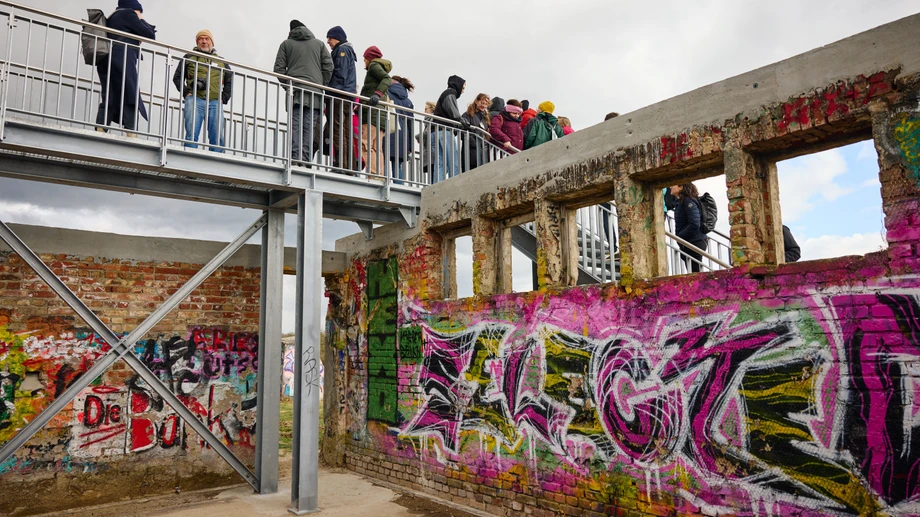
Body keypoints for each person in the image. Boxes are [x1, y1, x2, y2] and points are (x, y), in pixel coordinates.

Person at [274, 20, 333, 164]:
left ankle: (295, 158)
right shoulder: (319, 44)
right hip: (315, 94)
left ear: (291, 31)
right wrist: (321, 85)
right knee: (309, 126)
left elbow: (279, 70)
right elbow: (329, 67)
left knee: (295, 125)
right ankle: (305, 160)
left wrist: (289, 87)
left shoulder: (286, 44)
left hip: (295, 92)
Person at [96, 0, 156, 135]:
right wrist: (140, 19)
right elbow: (150, 34)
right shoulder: (128, 14)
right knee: (130, 92)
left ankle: (101, 128)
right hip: (122, 57)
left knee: (110, 93)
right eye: (140, 12)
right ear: (135, 9)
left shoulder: (113, 16)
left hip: (106, 58)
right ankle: (131, 131)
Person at [172, 30, 232, 152]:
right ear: (197, 42)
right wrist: (186, 93)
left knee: (217, 136)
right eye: (201, 39)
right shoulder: (188, 57)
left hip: (215, 101)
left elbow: (230, 80)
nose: (204, 41)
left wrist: (224, 98)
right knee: (191, 134)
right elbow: (177, 77)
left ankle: (216, 163)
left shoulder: (222, 62)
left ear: (212, 42)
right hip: (194, 98)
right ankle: (189, 159)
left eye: (207, 39)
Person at [324, 26, 357, 171]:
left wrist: (329, 90)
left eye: (329, 38)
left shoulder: (342, 50)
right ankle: (349, 166)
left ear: (336, 37)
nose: (328, 42)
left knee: (338, 130)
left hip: (339, 95)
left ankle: (341, 165)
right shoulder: (347, 50)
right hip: (347, 95)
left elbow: (340, 74)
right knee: (346, 131)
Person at [358, 46, 392, 180]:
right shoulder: (378, 66)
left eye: (364, 59)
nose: (364, 62)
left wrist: (376, 94)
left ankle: (373, 174)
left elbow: (387, 79)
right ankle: (379, 175)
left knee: (365, 144)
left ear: (369, 58)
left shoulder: (373, 65)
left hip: (371, 113)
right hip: (380, 115)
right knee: (376, 147)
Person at [432, 75, 466, 182]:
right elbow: (453, 112)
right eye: (463, 88)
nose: (463, 91)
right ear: (458, 85)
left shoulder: (448, 93)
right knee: (453, 161)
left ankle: (437, 186)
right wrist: (463, 122)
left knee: (441, 162)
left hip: (438, 130)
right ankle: (455, 185)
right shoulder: (450, 93)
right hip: (445, 131)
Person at [671, 182, 708, 273]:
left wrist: (680, 236)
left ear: (681, 187)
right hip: (690, 242)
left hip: (694, 241)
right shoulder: (681, 202)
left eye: (673, 184)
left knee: (695, 274)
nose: (670, 186)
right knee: (693, 273)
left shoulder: (688, 201)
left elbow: (695, 223)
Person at [386, 76, 415, 184]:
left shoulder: (387, 94)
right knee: (397, 165)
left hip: (388, 131)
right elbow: (410, 125)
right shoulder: (408, 101)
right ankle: (399, 187)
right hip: (403, 137)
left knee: (383, 161)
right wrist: (411, 145)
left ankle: (382, 186)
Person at [460, 93, 491, 171]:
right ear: (476, 101)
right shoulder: (467, 115)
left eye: (486, 104)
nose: (484, 106)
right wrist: (475, 144)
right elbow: (463, 131)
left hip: (482, 153)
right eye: (482, 103)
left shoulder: (485, 119)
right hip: (470, 152)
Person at [418, 101, 437, 181]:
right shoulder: (428, 120)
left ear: (432, 109)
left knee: (433, 168)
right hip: (430, 149)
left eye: (426, 109)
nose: (424, 111)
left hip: (432, 149)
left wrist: (418, 136)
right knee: (432, 169)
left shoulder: (432, 119)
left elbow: (427, 132)